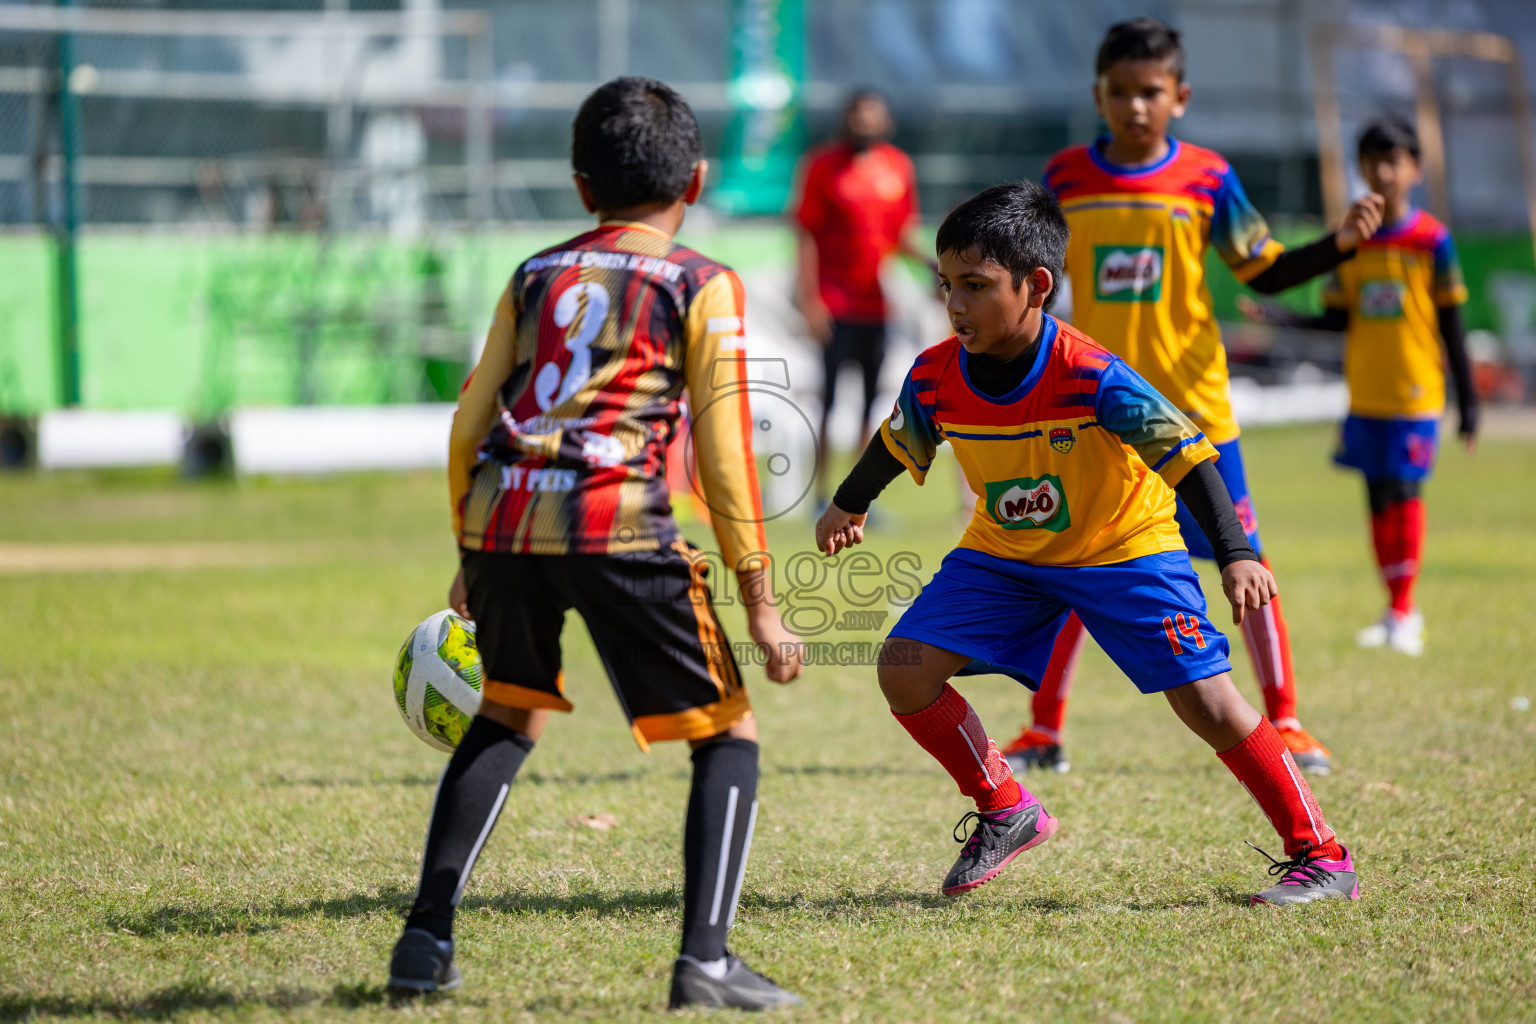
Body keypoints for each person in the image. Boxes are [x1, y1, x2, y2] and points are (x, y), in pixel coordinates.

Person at [815, 181, 1359, 906]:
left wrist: (1236, 553)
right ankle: (1007, 808)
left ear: (1036, 286)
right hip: (1005, 556)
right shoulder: (936, 375)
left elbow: (1192, 457)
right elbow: (896, 443)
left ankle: (1321, 857)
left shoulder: (1092, 374)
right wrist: (848, 504)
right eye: (946, 285)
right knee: (904, 669)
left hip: (1123, 548)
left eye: (975, 287)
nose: (954, 304)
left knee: (1209, 705)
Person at [385, 78, 805, 1011]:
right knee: (727, 736)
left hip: (508, 518)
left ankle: (424, 940)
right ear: (694, 180)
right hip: (620, 518)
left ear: (582, 189)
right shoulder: (703, 282)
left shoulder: (533, 275)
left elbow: (470, 418)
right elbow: (725, 452)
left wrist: (472, 542)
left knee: (506, 712)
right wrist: (762, 601)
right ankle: (706, 962)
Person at [1002, 17, 1389, 776]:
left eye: (1150, 92)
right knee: (1074, 559)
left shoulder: (1209, 178)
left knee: (1240, 556)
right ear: (1098, 95)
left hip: (1194, 412)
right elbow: (1029, 284)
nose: (1134, 106)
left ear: (1179, 96)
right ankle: (1043, 730)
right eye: (1119, 92)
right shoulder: (1065, 179)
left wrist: (1338, 245)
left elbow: (1265, 269)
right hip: (1096, 413)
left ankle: (1286, 720)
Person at [1240, 116, 1477, 656]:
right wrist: (1283, 317)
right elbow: (1337, 320)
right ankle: (1395, 607)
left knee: (1403, 494)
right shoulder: (1350, 244)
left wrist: (1470, 404)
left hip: (1415, 393)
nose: (1383, 172)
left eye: (1394, 161)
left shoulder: (1431, 241)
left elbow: (1453, 326)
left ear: (1415, 169)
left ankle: (1403, 607)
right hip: (1366, 394)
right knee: (1376, 498)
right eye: (1372, 161)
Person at [792, 89, 930, 507]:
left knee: (873, 406)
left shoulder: (898, 167)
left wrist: (935, 264)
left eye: (873, 117)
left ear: (885, 121)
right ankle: (818, 495)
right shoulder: (821, 166)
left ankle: (859, 497)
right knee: (828, 402)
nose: (865, 124)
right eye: (858, 116)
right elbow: (807, 236)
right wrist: (810, 299)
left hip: (877, 305)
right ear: (846, 119)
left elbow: (903, 233)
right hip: (834, 305)